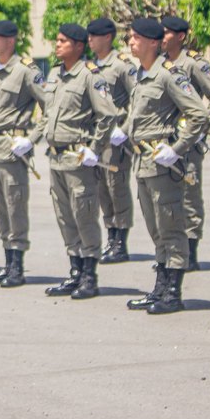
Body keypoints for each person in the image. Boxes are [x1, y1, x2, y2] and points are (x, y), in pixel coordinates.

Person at [118, 18, 207, 314]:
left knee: (171, 227)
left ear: (153, 42)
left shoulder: (169, 75)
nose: (131, 42)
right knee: (156, 229)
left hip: (162, 163)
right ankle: (160, 285)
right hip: (142, 162)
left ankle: (173, 292)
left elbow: (198, 114)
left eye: (136, 38)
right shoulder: (141, 74)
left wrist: (177, 149)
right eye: (130, 37)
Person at [41, 24, 117, 300]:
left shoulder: (90, 76)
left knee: (84, 216)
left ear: (78, 46)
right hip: (56, 157)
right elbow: (47, 113)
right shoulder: (54, 75)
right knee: (65, 217)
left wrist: (95, 148)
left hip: (78, 159)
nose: (57, 44)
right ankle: (74, 270)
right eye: (57, 40)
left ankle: (89, 275)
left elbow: (108, 115)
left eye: (63, 41)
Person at [0, 20, 48, 288]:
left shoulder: (26, 71)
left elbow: (49, 108)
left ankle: (17, 266)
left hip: (12, 150)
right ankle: (7, 262)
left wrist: (30, 140)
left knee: (15, 207)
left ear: (11, 40)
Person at [161, 16, 210, 272]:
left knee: (189, 196)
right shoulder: (159, 65)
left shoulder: (194, 64)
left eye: (167, 33)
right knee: (167, 198)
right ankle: (173, 254)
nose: (162, 38)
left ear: (181, 37)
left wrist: (201, 129)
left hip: (188, 141)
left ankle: (191, 252)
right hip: (165, 142)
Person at [86, 17, 137, 264]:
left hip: (116, 139)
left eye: (93, 36)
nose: (89, 41)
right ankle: (111, 235)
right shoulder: (91, 67)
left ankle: (121, 241)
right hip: (97, 137)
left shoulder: (122, 66)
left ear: (107, 37)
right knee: (101, 190)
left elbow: (140, 100)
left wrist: (125, 130)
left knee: (117, 188)